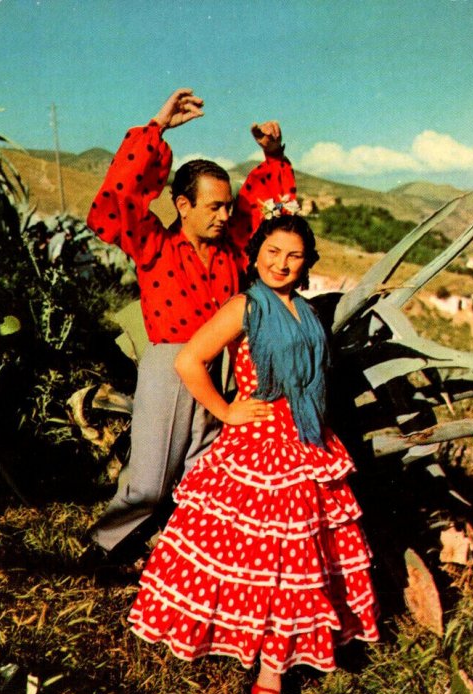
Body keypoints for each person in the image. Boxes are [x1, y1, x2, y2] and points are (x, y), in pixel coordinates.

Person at [128, 210, 380, 694]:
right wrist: (226, 410)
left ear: (307, 262)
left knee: (299, 565)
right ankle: (251, 656)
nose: (281, 264)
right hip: (258, 446)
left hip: (306, 442)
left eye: (293, 256)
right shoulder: (246, 305)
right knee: (259, 561)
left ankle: (273, 673)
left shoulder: (307, 313)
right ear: (257, 253)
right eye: (272, 252)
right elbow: (188, 360)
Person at [86, 87, 295, 564]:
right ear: (182, 206)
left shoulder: (233, 249)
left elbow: (273, 212)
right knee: (150, 478)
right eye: (214, 207)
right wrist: (156, 127)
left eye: (227, 206)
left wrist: (273, 155)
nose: (226, 215)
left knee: (205, 473)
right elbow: (114, 202)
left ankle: (186, 562)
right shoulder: (153, 244)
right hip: (171, 366)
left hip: (222, 367)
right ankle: (104, 548)